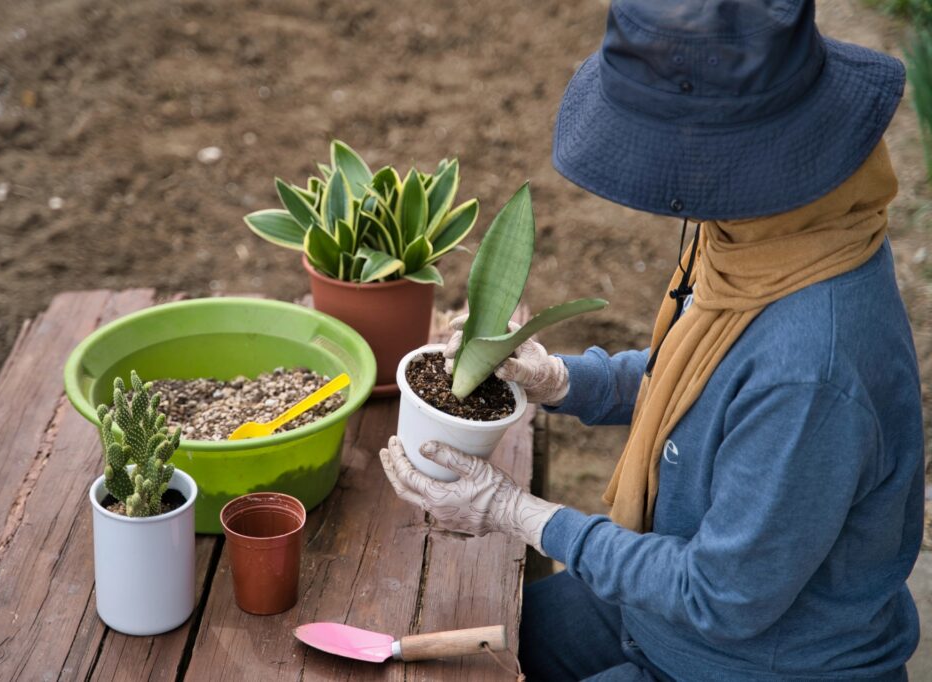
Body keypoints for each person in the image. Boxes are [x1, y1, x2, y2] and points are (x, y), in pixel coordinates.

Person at [378, 1, 925, 680]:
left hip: (750, 659)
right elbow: (707, 390)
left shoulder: (812, 371)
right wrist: (564, 380)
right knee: (445, 645)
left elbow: (720, 595)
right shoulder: (777, 234)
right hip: (667, 607)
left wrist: (514, 511)